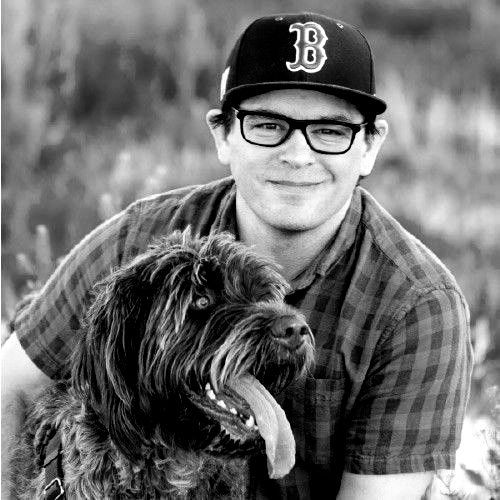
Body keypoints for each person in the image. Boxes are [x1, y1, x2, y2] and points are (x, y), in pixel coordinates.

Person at [2, 12, 472, 499]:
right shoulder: (138, 244)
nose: (297, 155)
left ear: (370, 146)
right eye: (268, 125)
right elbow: (8, 391)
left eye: (330, 130)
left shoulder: (418, 307)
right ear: (223, 135)